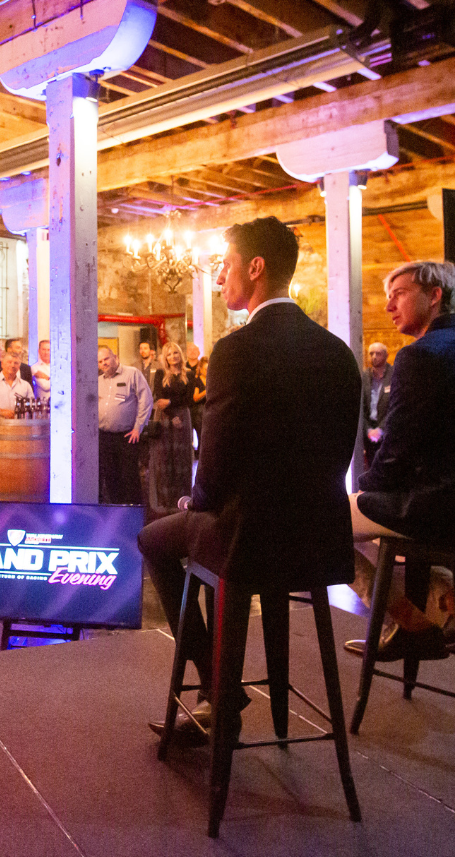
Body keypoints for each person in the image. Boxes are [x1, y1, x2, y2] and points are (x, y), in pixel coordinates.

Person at [137, 216, 360, 743]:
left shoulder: (237, 349)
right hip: (320, 538)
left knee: (154, 539)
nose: (220, 277)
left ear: (255, 268)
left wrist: (201, 498)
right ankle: (222, 694)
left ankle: (221, 690)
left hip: (250, 538)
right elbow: (338, 452)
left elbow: (215, 457)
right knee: (214, 532)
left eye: (228, 265)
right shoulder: (337, 351)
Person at [344, 260, 455, 662]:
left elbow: (394, 455)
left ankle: (413, 623)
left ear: (435, 295)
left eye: (399, 295)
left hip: (451, 513)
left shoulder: (421, 355)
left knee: (318, 521)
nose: (389, 307)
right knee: (372, 525)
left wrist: (361, 493)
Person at [97, 347, 153, 505]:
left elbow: (146, 400)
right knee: (110, 476)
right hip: (105, 436)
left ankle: (134, 512)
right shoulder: (99, 381)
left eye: (106, 359)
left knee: (129, 476)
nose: (104, 364)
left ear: (115, 357)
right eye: (100, 362)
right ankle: (115, 511)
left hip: (127, 435)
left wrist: (138, 427)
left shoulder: (132, 373)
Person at [149, 341, 195, 511]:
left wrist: (171, 402)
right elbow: (159, 399)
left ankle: (182, 499)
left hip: (183, 416)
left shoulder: (189, 373)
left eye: (175, 353)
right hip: (165, 418)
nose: (173, 356)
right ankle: (165, 501)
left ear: (180, 355)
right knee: (164, 457)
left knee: (181, 457)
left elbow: (189, 399)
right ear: (165, 357)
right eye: (169, 354)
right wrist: (172, 413)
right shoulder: (161, 373)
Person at [360, 342, 392, 465]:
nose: (374, 357)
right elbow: (360, 407)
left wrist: (381, 429)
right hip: (368, 431)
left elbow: (395, 407)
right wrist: (367, 429)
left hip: (388, 431)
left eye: (378, 353)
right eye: (371, 353)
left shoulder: (394, 375)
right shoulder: (364, 376)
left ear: (386, 355)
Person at [0, 353, 35, 418]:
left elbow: (32, 404)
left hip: (20, 425)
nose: (12, 365)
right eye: (9, 362)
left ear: (19, 367)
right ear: (2, 364)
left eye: (16, 363)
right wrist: (0, 411)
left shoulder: (26, 385)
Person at [31, 339, 52, 404]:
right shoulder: (34, 367)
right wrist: (58, 378)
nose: (46, 352)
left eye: (48, 350)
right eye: (44, 349)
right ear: (39, 351)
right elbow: (45, 386)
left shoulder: (57, 367)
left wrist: (48, 377)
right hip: (43, 406)